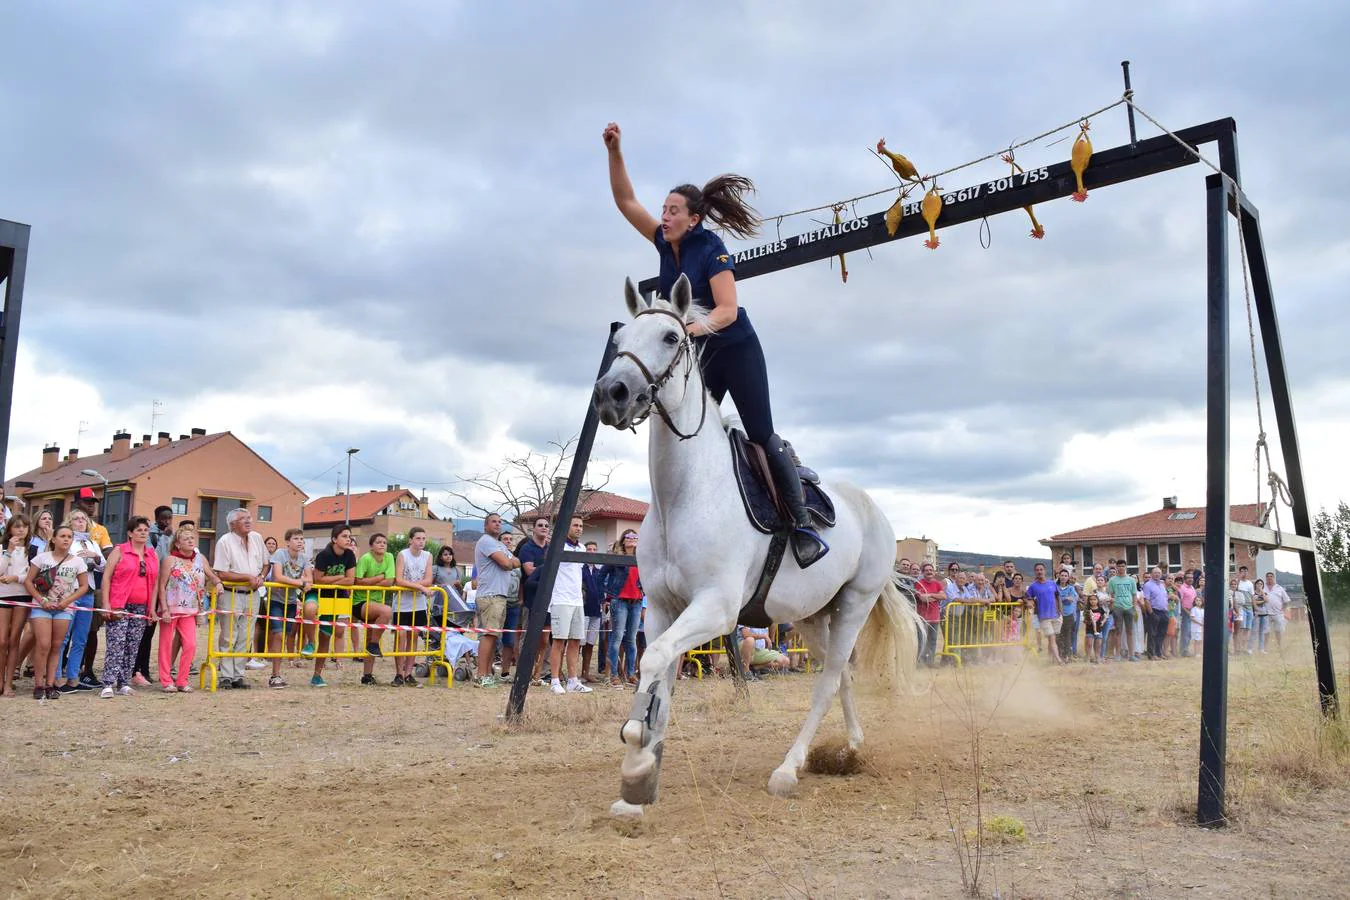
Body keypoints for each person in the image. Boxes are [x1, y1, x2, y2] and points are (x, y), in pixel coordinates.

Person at [603, 121, 828, 569]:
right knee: (684, 429)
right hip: (695, 352)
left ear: (694, 218)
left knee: (760, 433)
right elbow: (626, 201)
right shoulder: (665, 244)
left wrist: (685, 331)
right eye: (663, 210)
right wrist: (615, 150)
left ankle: (801, 522)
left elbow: (726, 309)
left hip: (734, 347)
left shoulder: (711, 248)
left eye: (672, 210)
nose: (663, 216)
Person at [95, 515, 158, 698]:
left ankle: (124, 682)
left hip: (141, 606)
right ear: (130, 533)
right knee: (116, 644)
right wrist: (106, 603)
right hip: (119, 604)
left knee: (132, 645)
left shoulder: (151, 555)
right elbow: (107, 576)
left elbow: (154, 583)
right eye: (139, 530)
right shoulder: (120, 550)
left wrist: (152, 608)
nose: (143, 533)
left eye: (146, 530)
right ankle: (108, 682)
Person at [24, 525, 90, 700]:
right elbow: (29, 581)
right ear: (54, 539)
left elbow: (84, 586)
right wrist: (41, 599)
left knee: (56, 646)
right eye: (62, 536)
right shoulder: (42, 558)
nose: (66, 539)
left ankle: (50, 684)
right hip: (41, 607)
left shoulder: (77, 562)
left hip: (64, 608)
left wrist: (67, 601)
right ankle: (38, 683)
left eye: (69, 536)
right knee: (43, 644)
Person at [157, 523, 223, 693]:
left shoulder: (200, 559)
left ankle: (182, 679)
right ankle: (166, 680)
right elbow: (162, 585)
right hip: (171, 608)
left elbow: (211, 574)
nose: (190, 540)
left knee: (191, 644)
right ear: (177, 543)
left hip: (190, 610)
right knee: (165, 644)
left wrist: (218, 583)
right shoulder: (170, 559)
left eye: (192, 538)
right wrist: (163, 608)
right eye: (185, 538)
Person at [212, 508, 270, 689]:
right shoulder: (224, 542)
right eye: (243, 518)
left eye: (249, 518)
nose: (248, 521)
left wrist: (260, 576)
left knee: (246, 636)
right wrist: (247, 577)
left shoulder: (257, 538)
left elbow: (266, 564)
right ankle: (226, 676)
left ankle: (238, 675)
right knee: (230, 634)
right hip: (231, 593)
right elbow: (221, 572)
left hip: (253, 595)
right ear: (232, 524)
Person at [541, 516, 593, 695]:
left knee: (575, 641)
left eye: (581, 526)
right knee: (558, 641)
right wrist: (552, 543)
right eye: (575, 525)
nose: (579, 528)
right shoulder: (558, 545)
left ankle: (573, 680)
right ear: (567, 527)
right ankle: (555, 680)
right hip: (560, 599)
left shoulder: (582, 547)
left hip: (577, 599)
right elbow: (547, 559)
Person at [56, 510, 106, 692]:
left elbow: (104, 565)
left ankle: (73, 677)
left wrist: (95, 557)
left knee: (81, 638)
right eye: (76, 519)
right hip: (70, 591)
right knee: (63, 637)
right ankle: (56, 677)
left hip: (89, 591)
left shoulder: (92, 542)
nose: (81, 522)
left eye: (83, 519)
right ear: (70, 522)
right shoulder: (68, 541)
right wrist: (83, 562)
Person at [472, 513, 522, 688]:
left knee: (494, 637)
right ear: (485, 526)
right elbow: (507, 563)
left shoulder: (500, 544)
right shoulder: (485, 541)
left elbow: (516, 561)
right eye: (493, 521)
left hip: (500, 595)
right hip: (490, 595)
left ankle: (487, 674)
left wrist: (511, 561)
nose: (497, 524)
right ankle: (481, 675)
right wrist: (510, 561)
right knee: (488, 635)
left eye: (500, 522)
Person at [308, 525, 359, 687]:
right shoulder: (324, 555)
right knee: (310, 610)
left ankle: (317, 675)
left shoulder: (350, 555)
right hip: (318, 594)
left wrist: (334, 580)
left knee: (325, 637)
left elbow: (351, 580)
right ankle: (309, 642)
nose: (348, 539)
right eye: (344, 536)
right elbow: (318, 580)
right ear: (334, 539)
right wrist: (339, 577)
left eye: (349, 536)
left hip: (336, 598)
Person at [133, 504, 178, 687]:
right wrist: (163, 539)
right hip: (149, 583)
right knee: (141, 632)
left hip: (165, 586)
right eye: (164, 518)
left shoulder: (171, 534)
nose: (167, 521)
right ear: (157, 518)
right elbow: (155, 558)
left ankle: (144, 668)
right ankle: (135, 668)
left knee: (150, 632)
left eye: (169, 518)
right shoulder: (151, 534)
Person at [265, 528, 312, 689]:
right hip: (275, 600)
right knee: (277, 635)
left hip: (291, 602)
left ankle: (277, 673)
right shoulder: (280, 554)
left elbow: (309, 580)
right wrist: (300, 582)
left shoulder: (304, 558)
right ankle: (275, 675)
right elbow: (277, 576)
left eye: (302, 539)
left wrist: (302, 582)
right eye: (296, 539)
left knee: (285, 635)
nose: (300, 542)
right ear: (288, 542)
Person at [351, 533, 396, 685]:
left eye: (384, 542)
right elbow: (357, 581)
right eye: (378, 542)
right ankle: (374, 644)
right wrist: (379, 578)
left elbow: (390, 581)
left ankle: (367, 675)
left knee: (371, 636)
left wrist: (370, 583)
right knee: (387, 611)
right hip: (360, 602)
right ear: (371, 546)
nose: (382, 544)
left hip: (377, 601)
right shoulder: (366, 559)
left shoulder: (389, 557)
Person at [393, 526, 435, 687]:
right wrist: (420, 587)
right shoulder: (403, 555)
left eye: (424, 539)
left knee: (414, 636)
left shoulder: (428, 556)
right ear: (410, 540)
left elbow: (428, 579)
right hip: (402, 603)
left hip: (418, 604)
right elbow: (399, 579)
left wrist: (415, 586)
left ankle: (409, 672)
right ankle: (398, 673)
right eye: (418, 538)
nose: (421, 541)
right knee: (401, 636)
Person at [600, 529, 643, 686]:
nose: (632, 539)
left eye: (635, 536)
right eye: (629, 536)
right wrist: (604, 597)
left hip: (637, 602)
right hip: (620, 601)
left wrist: (643, 591)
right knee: (617, 637)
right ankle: (613, 675)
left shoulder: (642, 558)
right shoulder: (616, 558)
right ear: (623, 540)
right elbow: (601, 576)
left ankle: (631, 674)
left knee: (631, 639)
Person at [514, 517, 553, 683]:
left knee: (546, 638)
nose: (544, 528)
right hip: (530, 599)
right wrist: (549, 569)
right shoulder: (527, 548)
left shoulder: (551, 549)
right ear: (534, 529)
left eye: (546, 525)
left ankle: (543, 671)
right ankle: (524, 670)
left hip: (549, 600)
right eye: (540, 525)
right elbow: (529, 571)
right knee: (529, 636)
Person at [0, 515, 31, 696]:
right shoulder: (3, 547)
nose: (21, 530)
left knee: (14, 641)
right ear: (9, 529)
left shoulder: (31, 549)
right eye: (17, 526)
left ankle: (9, 683)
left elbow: (32, 575)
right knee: (1, 641)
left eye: (24, 527)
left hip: (22, 596)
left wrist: (16, 578)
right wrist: (9, 551)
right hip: (3, 596)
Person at [1026, 564, 1062, 665]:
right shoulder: (1033, 586)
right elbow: (1027, 597)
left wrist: (1060, 611)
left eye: (1041, 569)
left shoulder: (1052, 583)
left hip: (1055, 615)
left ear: (1045, 571)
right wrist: (1029, 602)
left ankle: (1051, 659)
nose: (1039, 571)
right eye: (1037, 570)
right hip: (1043, 617)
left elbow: (1057, 597)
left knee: (1053, 639)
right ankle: (1059, 660)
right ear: (1035, 572)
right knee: (1052, 638)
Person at [913, 562, 945, 668]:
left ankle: (930, 662)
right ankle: (920, 662)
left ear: (934, 572)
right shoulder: (919, 583)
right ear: (923, 572)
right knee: (922, 640)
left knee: (933, 640)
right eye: (926, 570)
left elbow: (944, 596)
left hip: (935, 618)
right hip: (923, 618)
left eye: (931, 570)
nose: (929, 572)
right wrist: (937, 596)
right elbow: (922, 598)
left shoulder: (937, 583)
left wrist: (931, 595)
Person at [1107, 563, 1140, 661]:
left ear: (1126, 567)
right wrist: (1112, 608)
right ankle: (1117, 654)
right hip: (1117, 608)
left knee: (1130, 632)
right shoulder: (1112, 580)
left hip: (1129, 608)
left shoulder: (1131, 580)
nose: (1121, 568)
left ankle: (1131, 655)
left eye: (1123, 566)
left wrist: (1134, 608)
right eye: (1119, 566)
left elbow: (1134, 595)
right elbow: (1111, 594)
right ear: (1116, 567)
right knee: (1118, 632)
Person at [1141, 567, 1169, 660]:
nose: (1157, 574)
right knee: (1152, 634)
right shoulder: (1148, 585)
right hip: (1154, 611)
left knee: (1161, 634)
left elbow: (1164, 598)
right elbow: (1146, 600)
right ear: (1152, 574)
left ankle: (1159, 653)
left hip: (1164, 612)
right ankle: (1151, 654)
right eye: (1155, 573)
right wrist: (1151, 613)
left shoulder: (1162, 584)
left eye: (1159, 573)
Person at [1055, 569, 1079, 662]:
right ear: (1059, 576)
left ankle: (1067, 656)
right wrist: (1065, 598)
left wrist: (1062, 598)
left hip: (1068, 614)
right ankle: (1059, 654)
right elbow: (1055, 599)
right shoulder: (1055, 587)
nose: (1064, 577)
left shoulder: (1071, 588)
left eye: (1065, 575)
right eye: (1062, 575)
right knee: (1058, 635)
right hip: (1057, 614)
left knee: (1068, 635)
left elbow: (1073, 599)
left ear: (1068, 577)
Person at [1263, 571, 1289, 653]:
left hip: (1278, 613)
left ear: (1273, 578)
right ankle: (1264, 648)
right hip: (1266, 613)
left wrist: (1283, 609)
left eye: (1271, 576)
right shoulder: (1263, 588)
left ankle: (1279, 647)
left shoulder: (1279, 588)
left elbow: (1286, 601)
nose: (1269, 578)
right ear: (1266, 578)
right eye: (1268, 576)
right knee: (1266, 631)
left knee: (1278, 631)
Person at [1083, 593, 1107, 663]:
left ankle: (1097, 657)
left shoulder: (1100, 609)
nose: (1093, 601)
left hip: (1099, 629)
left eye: (1094, 599)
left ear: (1097, 600)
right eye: (1091, 599)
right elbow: (1084, 619)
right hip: (1089, 629)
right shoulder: (1087, 609)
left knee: (1098, 644)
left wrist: (1103, 622)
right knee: (1089, 644)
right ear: (1089, 601)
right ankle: (1087, 657)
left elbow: (1105, 616)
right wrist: (1087, 621)